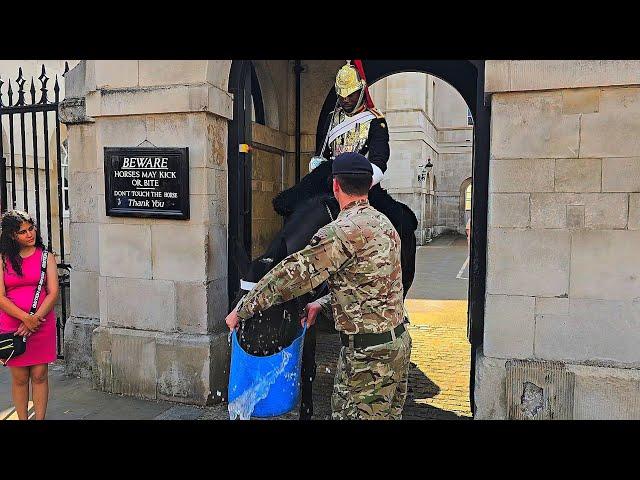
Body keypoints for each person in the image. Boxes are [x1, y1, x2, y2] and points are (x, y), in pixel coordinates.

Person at [226, 152, 412, 420]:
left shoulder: (340, 231)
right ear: (369, 185)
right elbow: (375, 285)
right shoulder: (384, 224)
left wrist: (242, 310)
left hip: (368, 360)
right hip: (397, 346)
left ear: (335, 185)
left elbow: (288, 278)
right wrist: (322, 303)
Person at [0, 210, 59, 420]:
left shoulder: (46, 257)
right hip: (12, 325)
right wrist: (25, 319)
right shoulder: (3, 259)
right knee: (19, 378)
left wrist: (34, 320)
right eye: (22, 231)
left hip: (41, 323)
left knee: (40, 375)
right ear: (11, 236)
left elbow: (53, 293)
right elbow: (0, 297)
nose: (29, 234)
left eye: (31, 229)